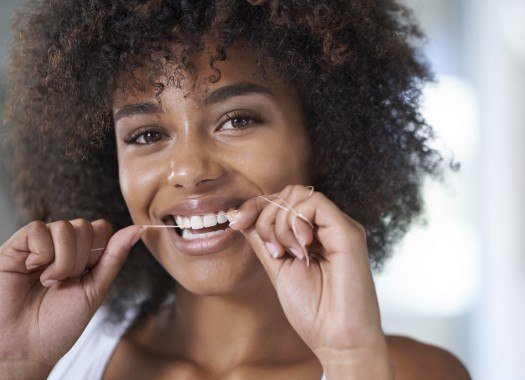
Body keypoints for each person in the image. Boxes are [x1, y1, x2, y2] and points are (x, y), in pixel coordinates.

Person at [0, 0, 470, 378]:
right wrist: (16, 367)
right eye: (146, 135)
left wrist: (349, 359)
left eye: (237, 120)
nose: (188, 170)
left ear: (324, 139)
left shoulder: (413, 372)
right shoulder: (58, 359)